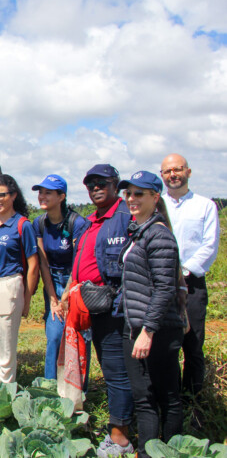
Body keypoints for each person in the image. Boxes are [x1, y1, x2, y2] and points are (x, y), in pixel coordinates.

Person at [62, 164, 134, 457]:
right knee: (108, 369)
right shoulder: (92, 221)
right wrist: (69, 290)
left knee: (118, 373)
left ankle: (120, 439)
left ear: (115, 184)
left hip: (115, 308)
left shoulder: (125, 216)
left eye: (101, 182)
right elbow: (80, 262)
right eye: (90, 184)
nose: (95, 188)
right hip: (91, 307)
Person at [118, 171, 185, 457]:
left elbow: (164, 289)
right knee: (143, 396)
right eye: (128, 193)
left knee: (167, 396)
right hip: (135, 326)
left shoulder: (159, 236)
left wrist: (147, 331)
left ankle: (170, 450)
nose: (131, 199)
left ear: (155, 198)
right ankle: (148, 451)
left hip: (154, 330)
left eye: (139, 194)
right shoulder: (139, 231)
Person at [160, 154, 220, 411]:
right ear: (161, 175)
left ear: (188, 172)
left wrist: (182, 272)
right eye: (167, 171)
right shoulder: (156, 203)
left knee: (193, 344)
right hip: (161, 285)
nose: (173, 174)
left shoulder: (205, 206)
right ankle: (167, 399)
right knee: (164, 344)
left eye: (178, 169)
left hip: (192, 284)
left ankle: (193, 402)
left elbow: (210, 245)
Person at [0, 174, 39, 383]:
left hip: (7, 286)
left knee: (5, 349)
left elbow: (33, 265)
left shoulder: (22, 225)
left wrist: (26, 300)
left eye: (1, 195)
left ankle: (6, 396)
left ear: (13, 195)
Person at [31, 175, 87, 380]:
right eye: (40, 192)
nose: (42, 196)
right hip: (53, 280)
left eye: (48, 193)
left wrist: (66, 298)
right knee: (54, 335)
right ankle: (49, 387)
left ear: (61, 196)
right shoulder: (39, 223)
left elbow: (79, 262)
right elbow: (43, 262)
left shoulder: (77, 223)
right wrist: (53, 298)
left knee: (77, 335)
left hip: (75, 281)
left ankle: (79, 389)